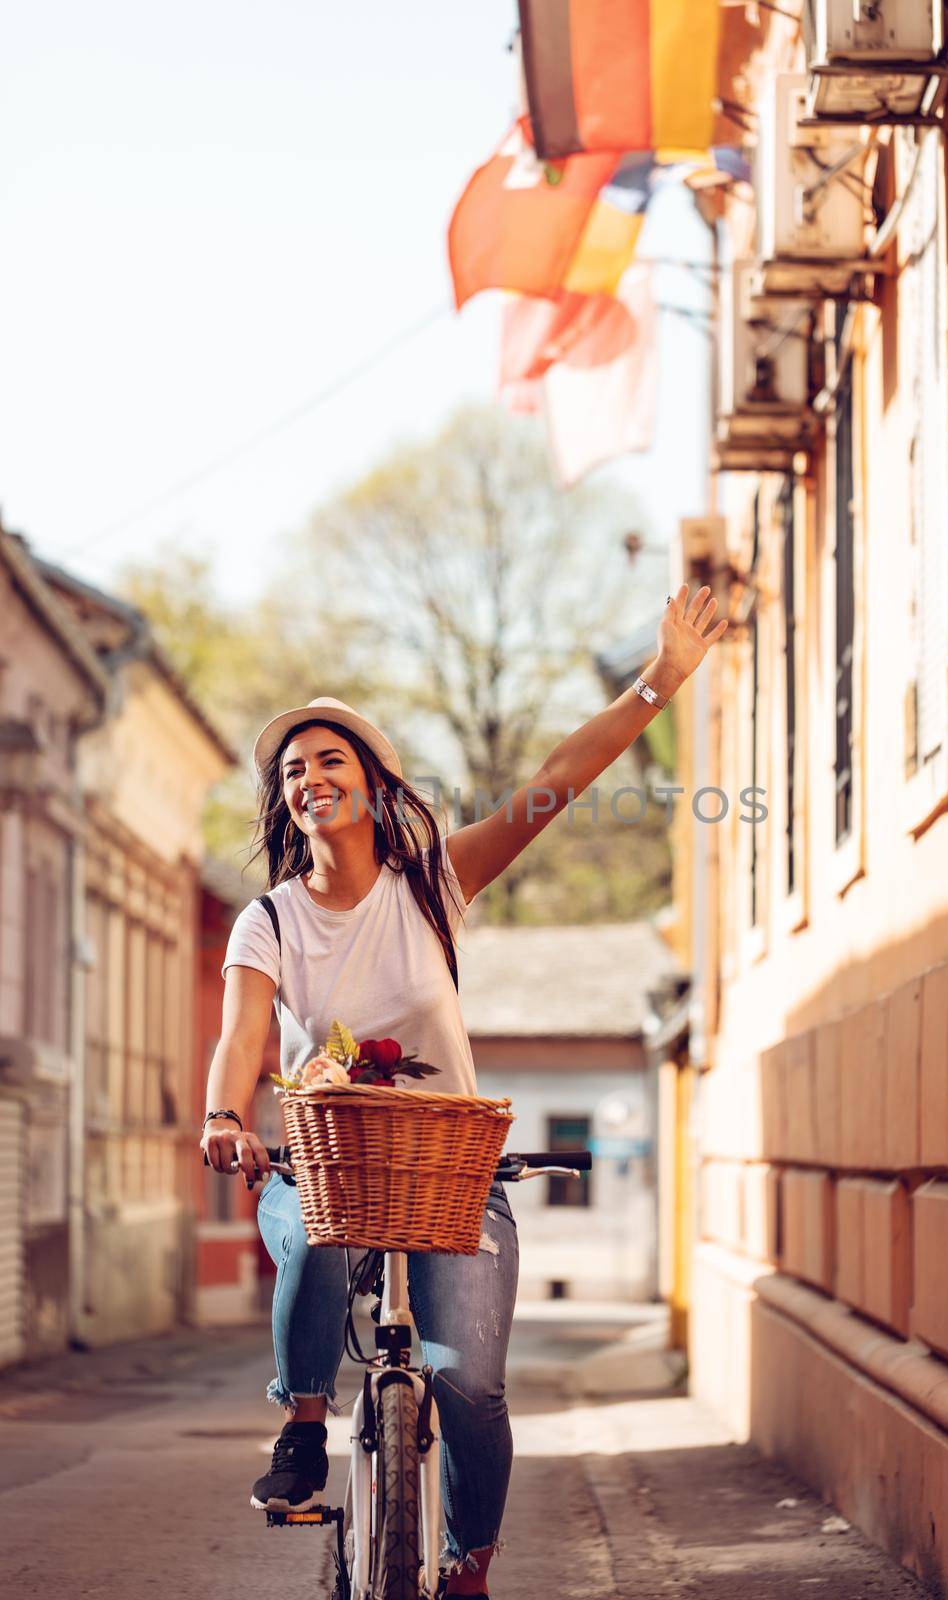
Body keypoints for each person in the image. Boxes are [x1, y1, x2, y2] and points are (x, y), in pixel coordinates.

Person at [201, 581, 727, 1598]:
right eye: (293, 770)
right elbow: (240, 1034)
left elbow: (554, 780)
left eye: (330, 760)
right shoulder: (265, 919)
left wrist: (658, 681)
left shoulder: (433, 883)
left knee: (468, 1379)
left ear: (373, 785)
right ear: (285, 802)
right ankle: (303, 1429)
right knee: (312, 1225)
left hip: (452, 1171)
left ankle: (467, 1567)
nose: (310, 777)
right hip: (330, 1161)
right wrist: (227, 1115)